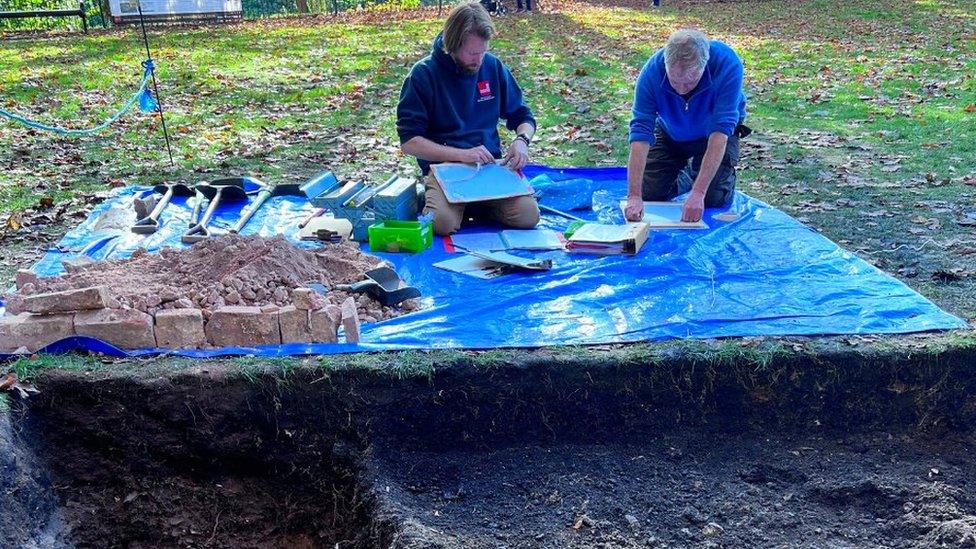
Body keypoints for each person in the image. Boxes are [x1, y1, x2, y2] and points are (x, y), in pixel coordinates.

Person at [396, 2, 539, 236]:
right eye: (473, 53)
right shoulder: (423, 75)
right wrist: (461, 154)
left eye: (483, 51)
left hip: (488, 167)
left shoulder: (492, 66)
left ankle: (478, 206)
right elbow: (410, 141)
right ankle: (444, 201)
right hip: (446, 168)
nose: (479, 59)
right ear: (452, 46)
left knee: (528, 216)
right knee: (441, 223)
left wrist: (522, 140)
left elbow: (523, 116)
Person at [624, 29, 749, 223]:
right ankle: (691, 174)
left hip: (713, 133)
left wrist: (698, 193)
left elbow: (720, 132)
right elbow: (640, 132)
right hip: (671, 130)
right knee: (649, 193)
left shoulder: (727, 64)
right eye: (674, 82)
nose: (681, 90)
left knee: (713, 199)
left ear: (704, 66)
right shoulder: (651, 73)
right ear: (666, 64)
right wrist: (634, 196)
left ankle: (702, 176)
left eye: (689, 83)